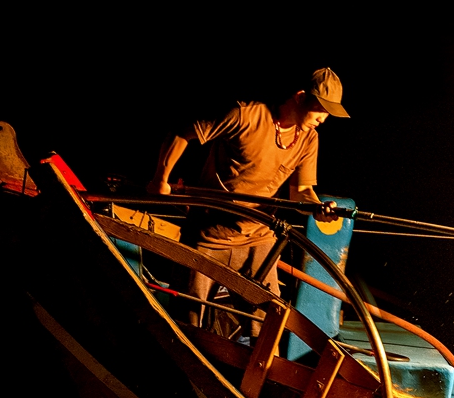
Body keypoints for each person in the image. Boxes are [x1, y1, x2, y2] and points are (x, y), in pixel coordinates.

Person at [150, 70, 349, 330]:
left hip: (258, 238)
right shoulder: (244, 115)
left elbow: (300, 191)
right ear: (300, 97)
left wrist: (316, 208)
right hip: (208, 236)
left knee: (267, 326)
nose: (323, 119)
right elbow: (182, 133)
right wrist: (160, 179)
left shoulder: (309, 138)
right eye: (320, 110)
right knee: (187, 324)